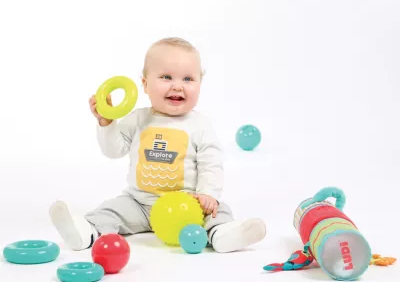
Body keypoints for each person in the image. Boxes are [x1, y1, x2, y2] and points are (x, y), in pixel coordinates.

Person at [49, 37, 266, 253]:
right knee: (111, 210)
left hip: (189, 206)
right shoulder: (138, 119)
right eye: (166, 77)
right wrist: (106, 123)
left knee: (219, 211)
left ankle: (223, 234)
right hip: (140, 204)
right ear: (145, 84)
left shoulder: (200, 125)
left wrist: (208, 194)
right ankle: (85, 232)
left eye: (188, 79)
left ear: (200, 84)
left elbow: (212, 163)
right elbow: (113, 151)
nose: (177, 86)